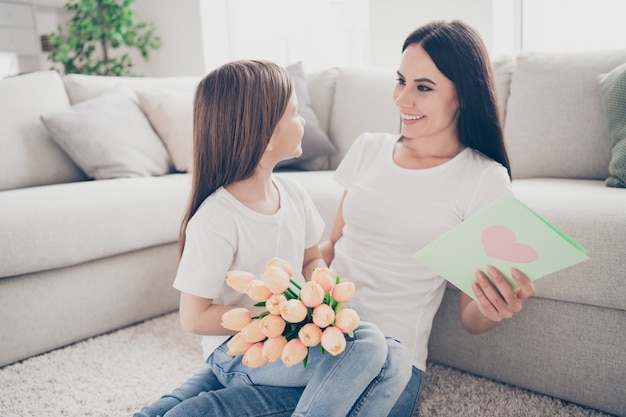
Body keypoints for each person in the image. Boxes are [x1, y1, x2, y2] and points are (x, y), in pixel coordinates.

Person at [138, 20, 536, 416]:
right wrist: (291, 307)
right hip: (313, 332)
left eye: (423, 87)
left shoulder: (483, 178)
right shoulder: (369, 149)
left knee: (278, 393)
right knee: (257, 374)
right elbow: (328, 248)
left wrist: (491, 305)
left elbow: (472, 315)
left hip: (390, 360)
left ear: (462, 95)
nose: (401, 99)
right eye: (400, 80)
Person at [134, 60, 412, 417]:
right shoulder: (217, 218)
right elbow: (193, 317)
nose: (303, 122)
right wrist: (278, 317)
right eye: (295, 114)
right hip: (238, 350)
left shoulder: (293, 194)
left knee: (397, 355)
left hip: (294, 338)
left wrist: (320, 299)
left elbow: (312, 258)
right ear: (264, 137)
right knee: (369, 347)